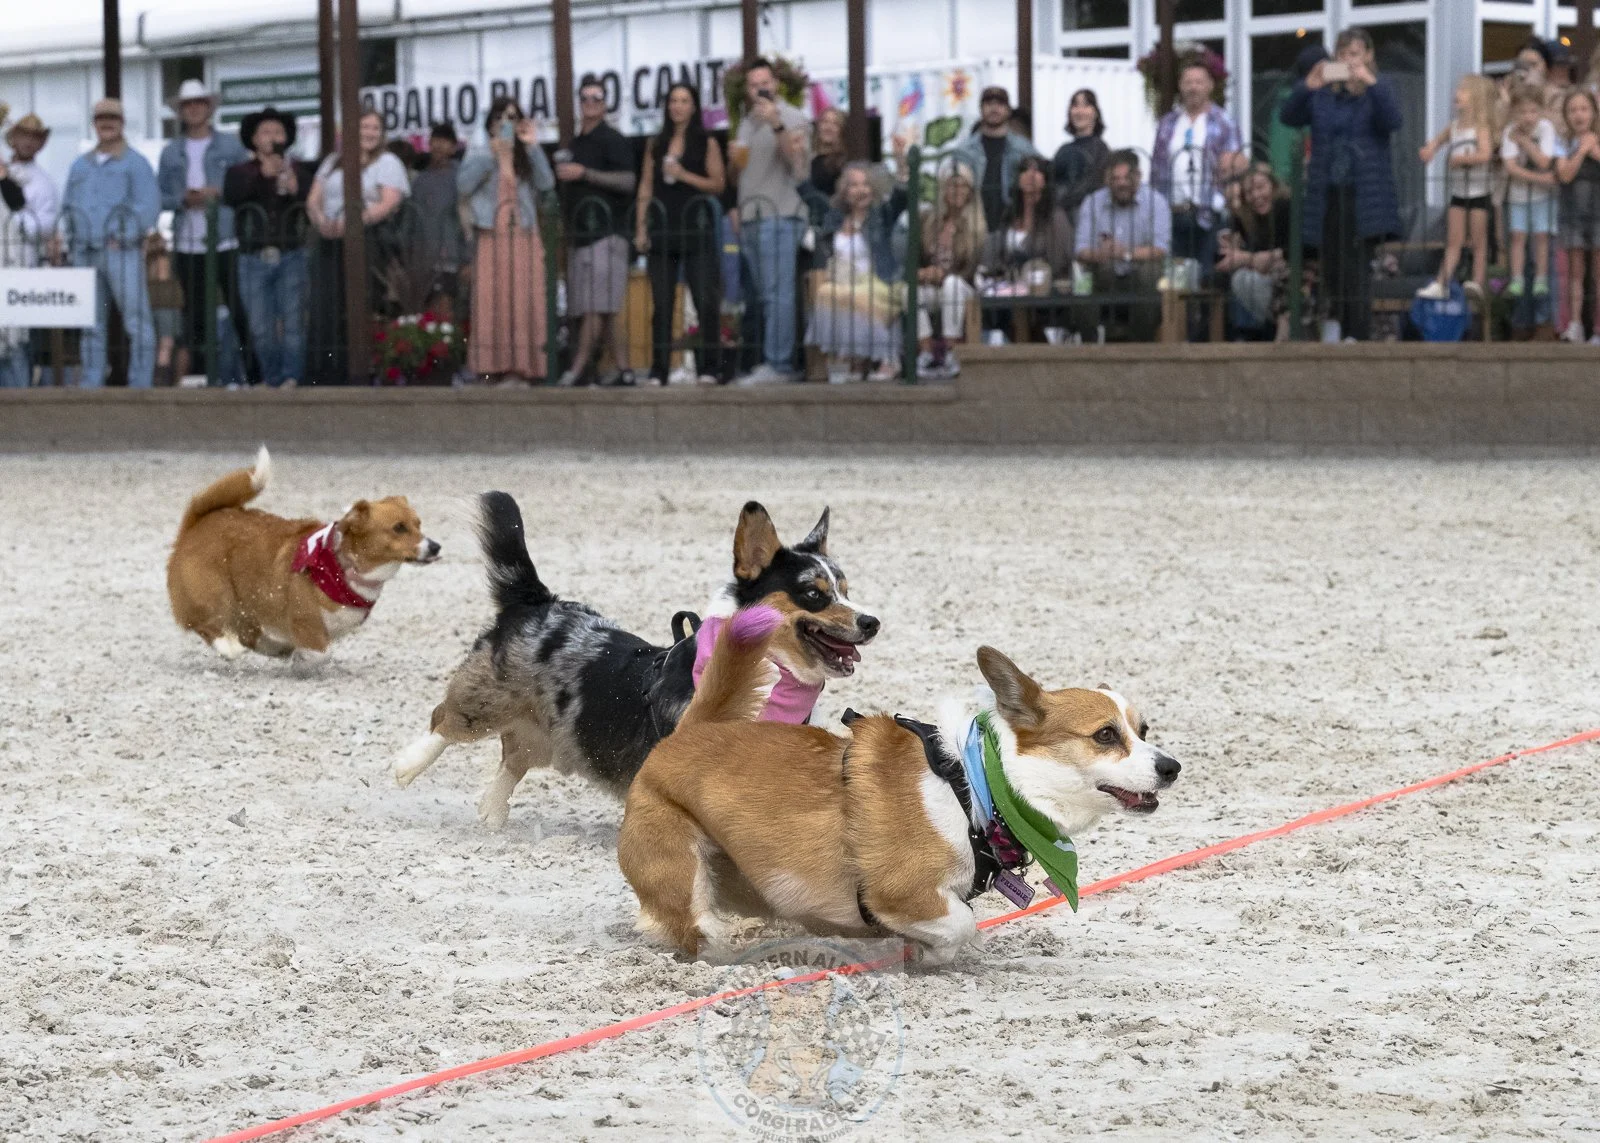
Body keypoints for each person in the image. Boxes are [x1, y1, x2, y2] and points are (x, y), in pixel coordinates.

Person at [1279, 27, 1403, 342]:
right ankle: (1335, 327)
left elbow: (1393, 121)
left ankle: (1357, 334)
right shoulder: (1323, 94)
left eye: (1355, 54)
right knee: (1332, 264)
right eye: (1343, 55)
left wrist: (1369, 81)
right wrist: (1308, 86)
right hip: (1328, 190)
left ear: (1368, 56)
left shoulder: (1377, 91)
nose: (1348, 61)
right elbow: (1289, 116)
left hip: (1363, 192)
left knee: (1357, 265)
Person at [305, 109, 410, 382]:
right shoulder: (332, 161)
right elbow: (313, 198)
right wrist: (321, 221)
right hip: (329, 239)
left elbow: (388, 202)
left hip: (368, 240)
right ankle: (327, 371)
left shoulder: (388, 162)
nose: (369, 133)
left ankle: (365, 370)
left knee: (363, 304)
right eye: (364, 126)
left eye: (375, 128)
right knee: (327, 304)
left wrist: (352, 224)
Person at [61, 98, 160, 388]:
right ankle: (91, 382)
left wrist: (123, 235)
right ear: (93, 123)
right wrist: (72, 237)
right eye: (101, 118)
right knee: (90, 321)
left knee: (136, 320)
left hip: (122, 252)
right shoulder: (81, 165)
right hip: (84, 250)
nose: (107, 123)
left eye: (112, 118)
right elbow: (68, 204)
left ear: (122, 123)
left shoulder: (135, 163)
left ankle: (140, 384)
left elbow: (148, 206)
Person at [635, 82, 726, 385]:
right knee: (662, 303)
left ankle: (710, 366)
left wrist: (683, 175)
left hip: (695, 225)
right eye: (673, 100)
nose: (678, 106)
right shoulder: (655, 143)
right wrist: (641, 226)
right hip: (663, 226)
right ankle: (659, 368)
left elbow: (718, 184)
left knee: (704, 299)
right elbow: (646, 185)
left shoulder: (706, 142)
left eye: (684, 101)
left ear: (694, 106)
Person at [158, 80, 247, 382]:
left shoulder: (231, 146)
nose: (194, 108)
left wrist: (216, 193)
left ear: (209, 107)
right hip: (187, 241)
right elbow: (161, 196)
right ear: (181, 111)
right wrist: (185, 199)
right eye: (188, 104)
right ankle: (198, 378)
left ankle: (253, 376)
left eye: (199, 102)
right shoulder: (170, 152)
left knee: (239, 308)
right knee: (194, 315)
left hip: (225, 238)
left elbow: (244, 186)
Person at [460, 96, 555, 382]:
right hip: (491, 234)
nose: (506, 123)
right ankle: (491, 367)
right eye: (500, 117)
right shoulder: (479, 152)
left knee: (524, 298)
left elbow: (547, 183)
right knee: (492, 299)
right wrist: (493, 154)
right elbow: (462, 186)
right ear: (490, 123)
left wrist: (533, 145)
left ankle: (525, 367)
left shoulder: (526, 154)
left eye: (513, 117)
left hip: (523, 234)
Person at [730, 57, 811, 385]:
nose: (760, 88)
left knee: (778, 294)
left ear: (776, 84)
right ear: (747, 90)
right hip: (750, 216)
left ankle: (779, 364)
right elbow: (744, 171)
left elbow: (799, 168)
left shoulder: (794, 118)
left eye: (765, 82)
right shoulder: (745, 122)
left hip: (780, 212)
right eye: (753, 84)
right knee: (764, 296)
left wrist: (777, 124)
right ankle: (770, 361)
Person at [1150, 57, 1244, 339]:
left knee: (1205, 280)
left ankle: (1203, 339)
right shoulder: (1168, 123)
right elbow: (1156, 167)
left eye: (1198, 82)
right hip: (1173, 210)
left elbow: (1234, 166)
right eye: (1188, 82)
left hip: (1208, 212)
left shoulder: (1224, 121)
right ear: (1180, 86)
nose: (1193, 88)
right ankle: (1178, 337)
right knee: (1174, 280)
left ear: (1210, 86)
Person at [557, 74, 638, 386]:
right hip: (581, 235)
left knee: (596, 305)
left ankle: (576, 369)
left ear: (605, 104)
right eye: (585, 98)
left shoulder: (613, 139)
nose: (590, 103)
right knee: (603, 308)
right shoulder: (575, 144)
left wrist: (586, 174)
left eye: (597, 98)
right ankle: (625, 369)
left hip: (607, 232)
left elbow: (627, 181)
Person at [223, 107, 314, 389]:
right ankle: (272, 378)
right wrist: (264, 174)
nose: (272, 137)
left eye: (278, 131)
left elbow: (309, 197)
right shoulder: (239, 171)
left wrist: (292, 182)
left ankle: (292, 377)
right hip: (253, 256)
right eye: (265, 132)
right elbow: (234, 195)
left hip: (291, 254)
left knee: (293, 323)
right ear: (253, 139)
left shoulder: (298, 168)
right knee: (261, 328)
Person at [808, 161, 908, 382]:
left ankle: (888, 358)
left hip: (881, 281)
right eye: (853, 185)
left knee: (859, 295)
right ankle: (850, 358)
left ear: (873, 189)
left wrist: (902, 169)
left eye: (865, 185)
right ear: (845, 191)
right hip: (844, 281)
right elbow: (808, 195)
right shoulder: (833, 219)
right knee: (827, 292)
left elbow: (900, 200)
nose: (860, 190)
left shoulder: (882, 214)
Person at [1073, 150, 1170, 343]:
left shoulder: (1156, 202)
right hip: (1104, 275)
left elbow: (1160, 249)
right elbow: (1080, 249)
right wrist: (1099, 254)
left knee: (1151, 271)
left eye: (1127, 178)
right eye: (1115, 179)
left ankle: (1138, 345)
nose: (1121, 184)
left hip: (1140, 277)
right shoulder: (1092, 202)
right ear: (1106, 180)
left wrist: (1125, 252)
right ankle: (1090, 345)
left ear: (1138, 177)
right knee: (1083, 276)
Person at [1417, 75, 1496, 300]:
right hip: (1458, 192)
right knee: (1454, 240)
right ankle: (1442, 282)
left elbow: (1485, 154)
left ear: (1476, 97)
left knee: (1479, 241)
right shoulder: (1453, 127)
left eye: (1463, 90)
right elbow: (1437, 141)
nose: (1457, 94)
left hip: (1479, 192)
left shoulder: (1481, 128)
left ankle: (1477, 281)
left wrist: (1461, 160)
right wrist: (1429, 150)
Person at [913, 158, 987, 379]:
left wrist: (944, 275)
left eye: (962, 185)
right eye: (951, 184)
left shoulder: (977, 225)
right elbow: (918, 256)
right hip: (932, 285)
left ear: (970, 191)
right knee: (910, 292)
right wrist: (922, 272)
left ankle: (950, 352)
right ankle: (925, 353)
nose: (956, 190)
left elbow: (974, 266)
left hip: (963, 287)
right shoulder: (928, 220)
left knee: (952, 285)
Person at [1217, 164, 1292, 340]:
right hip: (1269, 276)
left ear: (1273, 186)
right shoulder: (1250, 218)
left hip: (1295, 272)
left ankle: (1284, 333)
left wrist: (1248, 258)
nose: (1256, 195)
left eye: (1260, 187)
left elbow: (1294, 252)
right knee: (1242, 279)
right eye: (1249, 192)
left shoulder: (1285, 207)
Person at [1500, 85, 1558, 304]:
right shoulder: (1509, 130)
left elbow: (1544, 161)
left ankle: (1541, 279)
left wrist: (1524, 141)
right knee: (1517, 235)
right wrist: (1541, 179)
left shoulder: (1545, 128)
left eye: (1533, 111)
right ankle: (1517, 279)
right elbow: (1510, 167)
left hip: (1542, 196)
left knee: (1541, 236)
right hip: (1518, 195)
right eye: (1523, 112)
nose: (1528, 117)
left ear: (1541, 111)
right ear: (1515, 112)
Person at [955, 85, 1040, 233]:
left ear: (1008, 110)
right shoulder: (964, 150)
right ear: (981, 109)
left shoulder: (1024, 148)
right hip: (973, 226)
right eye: (988, 103)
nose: (994, 108)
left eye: (1000, 104)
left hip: (1010, 226)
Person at [978, 154, 1073, 284]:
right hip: (1009, 285)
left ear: (1045, 179)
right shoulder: (1010, 213)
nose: (1031, 175)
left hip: (1043, 286)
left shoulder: (1055, 216)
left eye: (1037, 170)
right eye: (1025, 170)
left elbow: (1059, 261)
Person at [1555, 88, 1600, 343]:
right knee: (1575, 272)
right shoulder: (1563, 143)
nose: (1579, 115)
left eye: (1584, 109)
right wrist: (1582, 150)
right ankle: (1575, 324)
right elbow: (1564, 174)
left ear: (1593, 113)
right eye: (1573, 110)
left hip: (1598, 213)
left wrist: (1593, 149)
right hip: (1573, 214)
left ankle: (1597, 328)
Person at [410, 121, 466, 318]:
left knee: (448, 310)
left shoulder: (462, 176)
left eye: (445, 141)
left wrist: (466, 256)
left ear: (454, 147)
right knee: (427, 313)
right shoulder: (419, 181)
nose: (439, 145)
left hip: (453, 257)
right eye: (435, 140)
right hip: (423, 258)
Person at [1051, 89, 1110, 221]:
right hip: (1061, 218)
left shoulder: (1100, 149)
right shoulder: (1064, 150)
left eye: (1085, 105)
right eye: (1075, 105)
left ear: (1095, 113)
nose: (1079, 111)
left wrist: (1063, 200)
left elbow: (1093, 185)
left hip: (1088, 217)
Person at [808, 107, 847, 201]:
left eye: (835, 124)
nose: (828, 127)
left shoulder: (843, 161)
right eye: (825, 122)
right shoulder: (813, 158)